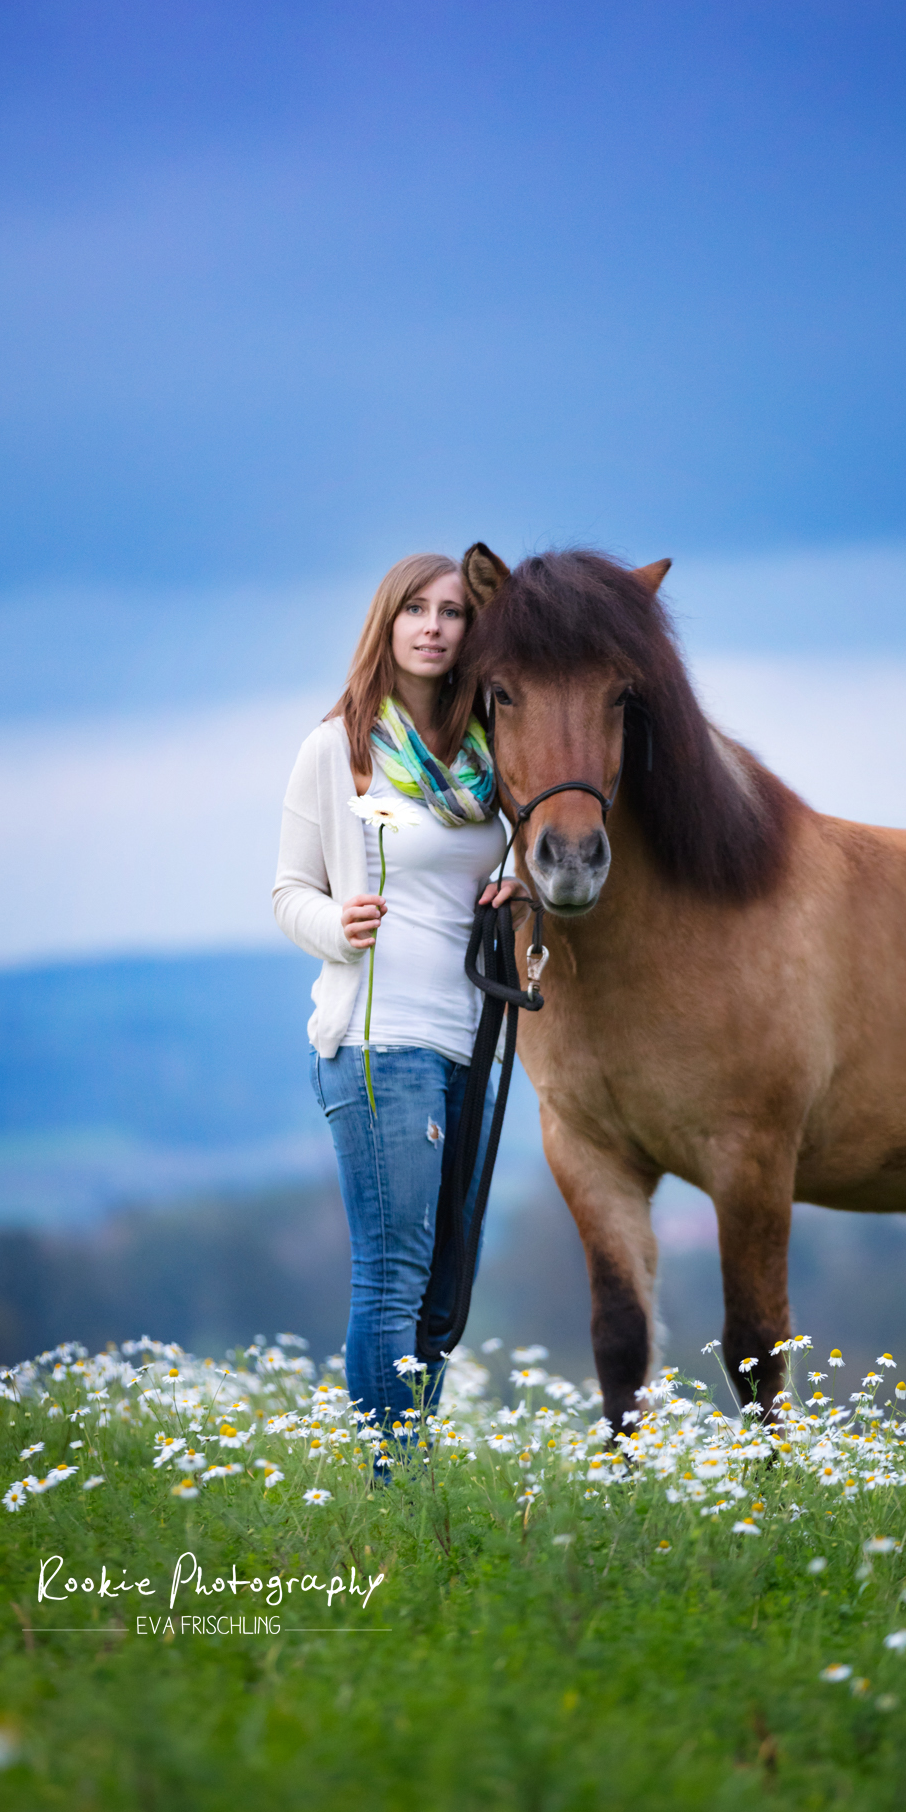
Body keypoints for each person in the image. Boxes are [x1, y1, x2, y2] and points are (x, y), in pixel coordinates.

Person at [272, 552, 521, 1438]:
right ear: (387, 622)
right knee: (393, 1278)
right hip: (381, 1044)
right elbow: (288, 892)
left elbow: (521, 853)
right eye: (414, 609)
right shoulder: (338, 749)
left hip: (471, 1045)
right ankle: (392, 1486)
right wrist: (338, 925)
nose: (433, 627)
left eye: (452, 612)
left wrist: (521, 888)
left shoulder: (489, 754)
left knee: (446, 1282)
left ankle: (407, 1470)